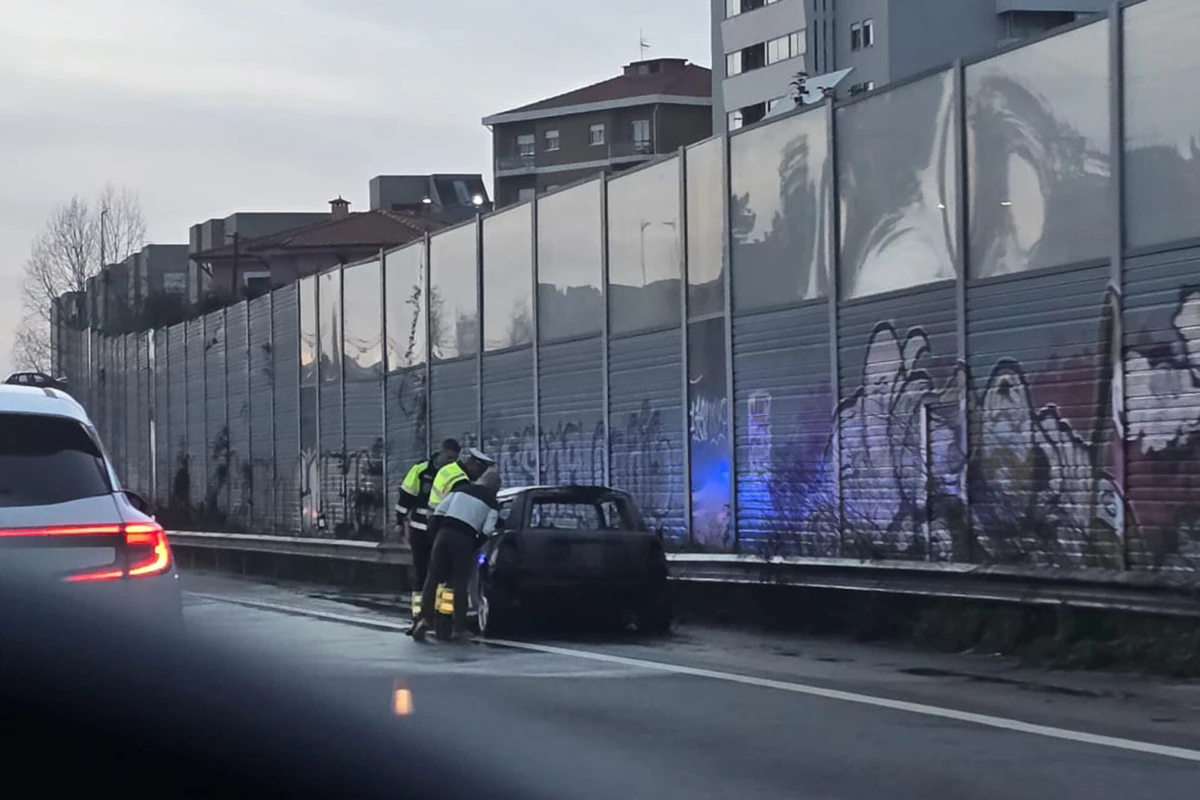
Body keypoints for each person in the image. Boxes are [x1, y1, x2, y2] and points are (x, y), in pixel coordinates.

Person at [411, 466, 502, 643]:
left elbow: (439, 511)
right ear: (495, 488)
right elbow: (488, 530)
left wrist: (437, 534)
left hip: (443, 534)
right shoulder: (492, 504)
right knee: (460, 584)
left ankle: (423, 619)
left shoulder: (460, 490)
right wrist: (474, 545)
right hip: (464, 539)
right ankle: (459, 628)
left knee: (432, 579)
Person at [395, 438, 460, 629]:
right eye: (448, 457)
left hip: (442, 532)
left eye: (454, 459)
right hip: (420, 530)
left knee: (444, 575)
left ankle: (443, 617)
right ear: (440, 453)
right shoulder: (421, 470)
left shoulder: (456, 474)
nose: (451, 462)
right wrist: (399, 521)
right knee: (421, 574)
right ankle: (418, 617)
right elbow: (405, 497)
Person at [428, 447, 495, 511]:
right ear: (472, 464)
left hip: (433, 512)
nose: (479, 475)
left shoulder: (450, 468)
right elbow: (463, 508)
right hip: (442, 517)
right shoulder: (461, 481)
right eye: (480, 470)